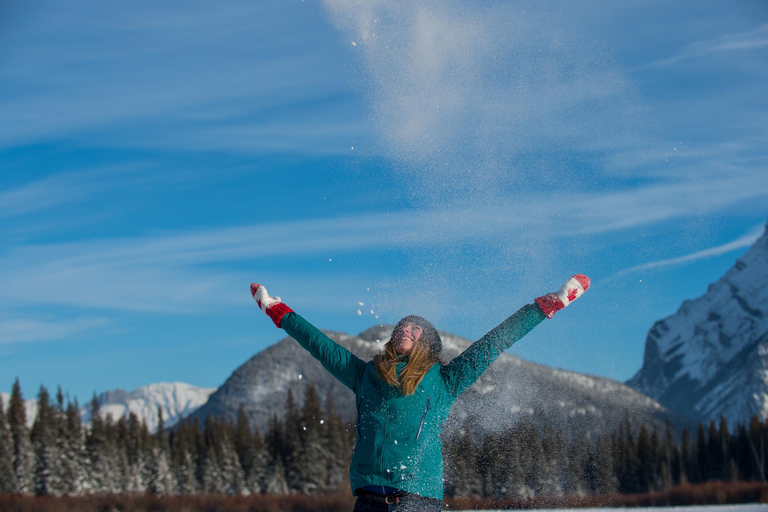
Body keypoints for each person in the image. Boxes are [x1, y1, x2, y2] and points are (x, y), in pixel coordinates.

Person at [250, 274, 590, 512]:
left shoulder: (444, 380)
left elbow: (494, 342)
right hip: (367, 499)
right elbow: (320, 345)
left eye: (416, 328)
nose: (406, 328)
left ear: (427, 344)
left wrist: (549, 304)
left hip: (415, 501)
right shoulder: (366, 374)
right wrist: (277, 311)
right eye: (403, 325)